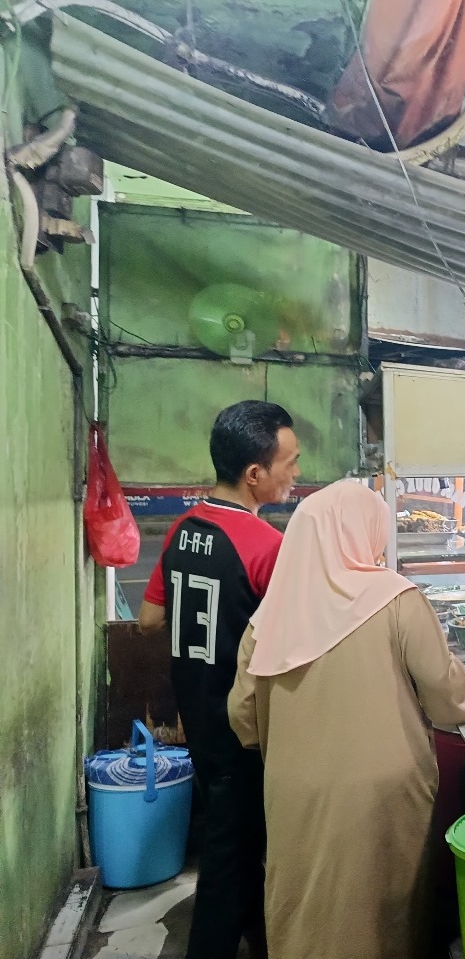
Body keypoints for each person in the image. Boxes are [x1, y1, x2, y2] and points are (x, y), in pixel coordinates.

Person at [226, 480, 465, 959]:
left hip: (295, 789)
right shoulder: (396, 599)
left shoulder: (270, 616)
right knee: (381, 912)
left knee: (306, 905)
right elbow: (443, 690)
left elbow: (242, 715)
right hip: (384, 791)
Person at [138, 400, 300, 959]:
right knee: (229, 856)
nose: (296, 472)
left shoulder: (183, 529)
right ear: (255, 473)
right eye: (290, 462)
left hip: (196, 713)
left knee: (235, 834)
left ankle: (262, 940)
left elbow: (149, 619)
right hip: (242, 724)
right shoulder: (266, 546)